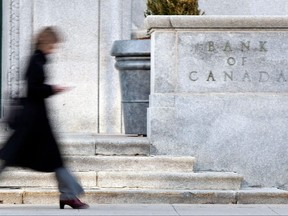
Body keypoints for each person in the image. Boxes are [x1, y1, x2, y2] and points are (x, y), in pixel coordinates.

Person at [0, 27, 89, 209]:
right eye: (53, 45)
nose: (54, 49)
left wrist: (49, 89)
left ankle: (69, 194)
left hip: (36, 120)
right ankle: (69, 195)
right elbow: (33, 89)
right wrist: (52, 89)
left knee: (47, 158)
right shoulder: (35, 61)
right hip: (33, 121)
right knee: (12, 156)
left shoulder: (38, 60)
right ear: (47, 43)